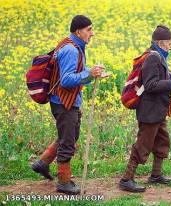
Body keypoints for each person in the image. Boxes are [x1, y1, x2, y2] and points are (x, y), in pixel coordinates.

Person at [31, 15, 105, 195]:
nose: (92, 33)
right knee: (68, 141)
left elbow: (73, 73)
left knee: (70, 135)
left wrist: (90, 73)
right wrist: (89, 74)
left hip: (65, 101)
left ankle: (42, 163)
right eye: (89, 30)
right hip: (64, 103)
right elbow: (66, 80)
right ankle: (64, 182)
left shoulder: (71, 44)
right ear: (78, 32)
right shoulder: (71, 50)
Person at [119, 25, 171, 192]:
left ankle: (156, 175)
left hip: (158, 110)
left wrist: (170, 76)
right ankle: (126, 179)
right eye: (169, 43)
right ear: (160, 43)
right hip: (150, 111)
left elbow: (156, 78)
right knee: (143, 144)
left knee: (161, 141)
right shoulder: (153, 57)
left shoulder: (159, 55)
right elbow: (151, 85)